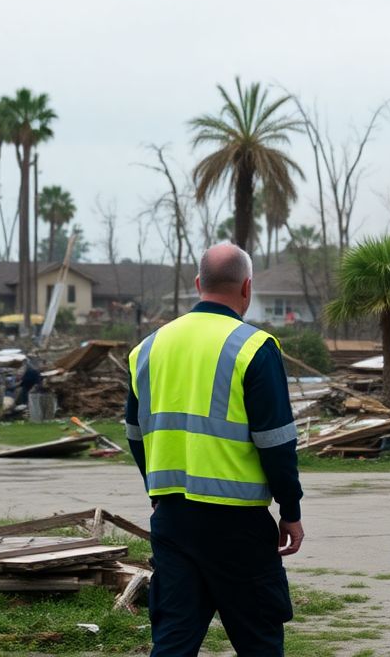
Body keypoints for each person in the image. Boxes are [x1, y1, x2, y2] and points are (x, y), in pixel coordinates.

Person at [124, 243, 305, 656]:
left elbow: (136, 436)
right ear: (247, 287)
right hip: (238, 524)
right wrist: (290, 511)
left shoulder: (148, 348)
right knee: (258, 638)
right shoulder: (255, 347)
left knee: (173, 638)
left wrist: (157, 493)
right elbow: (276, 443)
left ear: (197, 284)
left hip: (172, 519)